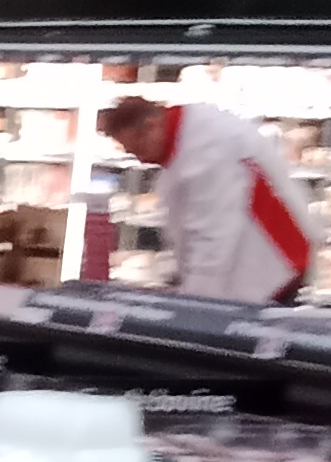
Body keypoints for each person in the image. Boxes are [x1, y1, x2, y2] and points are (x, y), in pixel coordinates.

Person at [96, 89, 315, 305]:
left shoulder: (206, 147)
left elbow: (213, 234)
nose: (141, 160)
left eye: (139, 149)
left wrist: (195, 303)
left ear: (151, 126)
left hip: (271, 263)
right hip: (247, 263)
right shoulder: (187, 136)